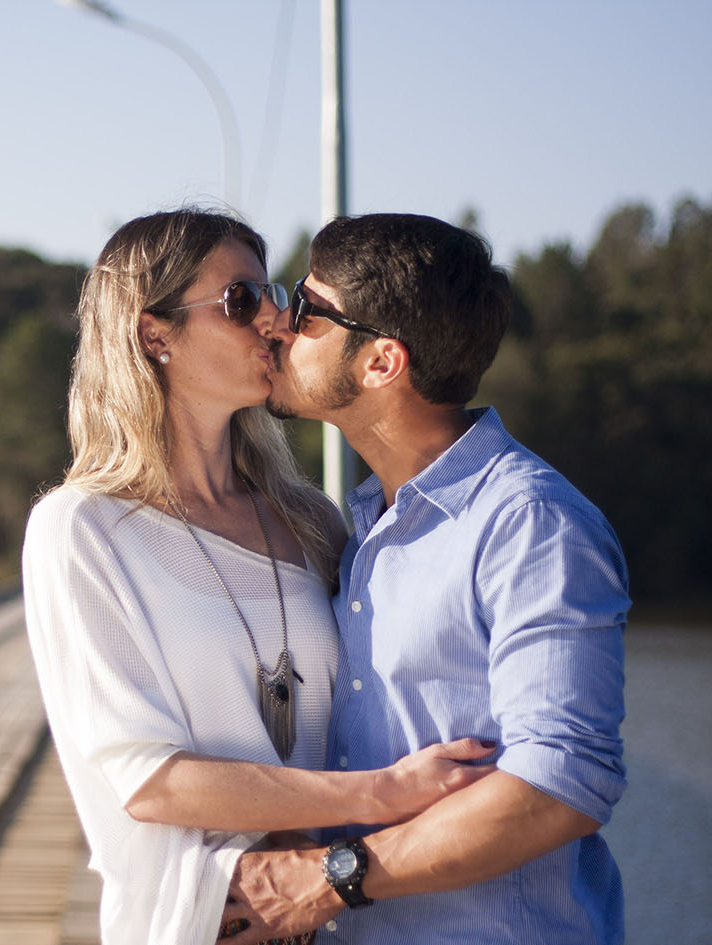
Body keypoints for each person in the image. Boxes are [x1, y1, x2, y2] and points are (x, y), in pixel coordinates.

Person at [21, 209, 494, 945]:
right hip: (197, 922)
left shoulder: (311, 521)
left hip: (334, 916)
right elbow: (148, 781)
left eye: (272, 295)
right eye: (239, 300)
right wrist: (382, 793)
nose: (275, 320)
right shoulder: (83, 528)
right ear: (154, 335)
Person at [222, 213, 629, 943]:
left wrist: (326, 879)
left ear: (381, 361)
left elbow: (563, 781)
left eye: (308, 310)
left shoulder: (530, 522)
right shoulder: (364, 525)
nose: (279, 324)